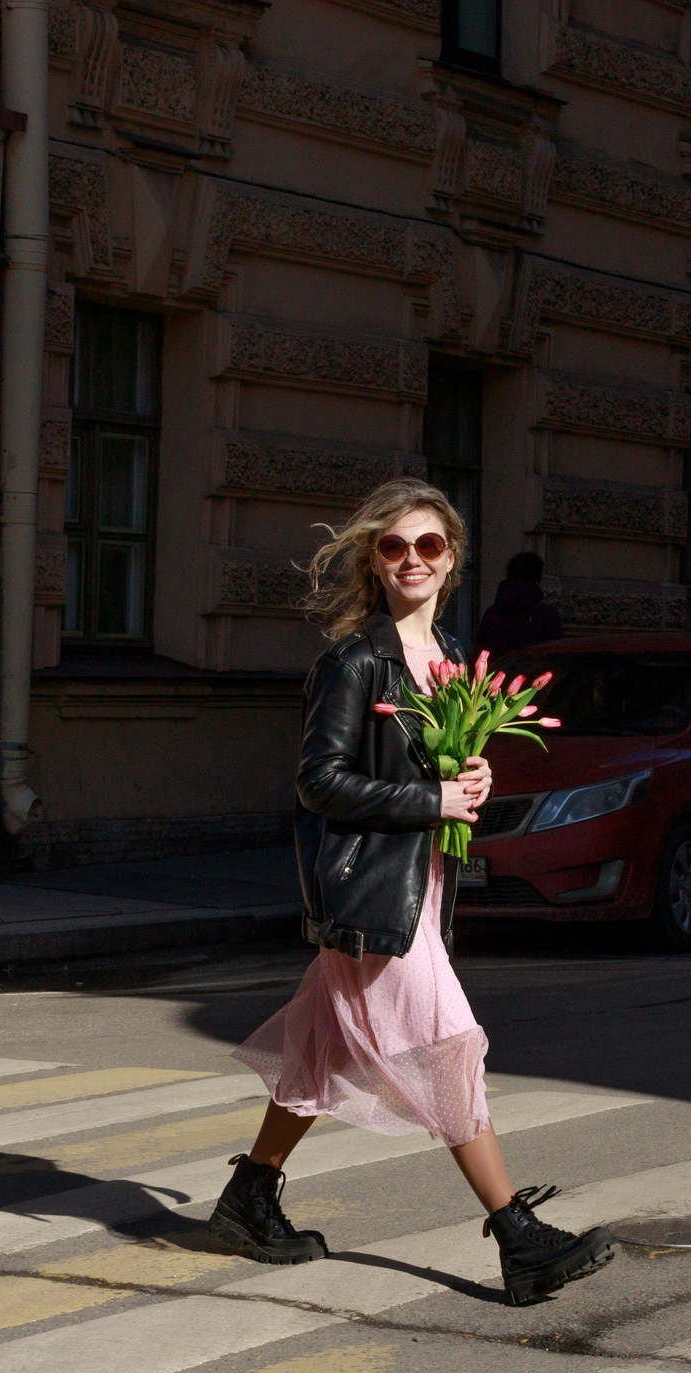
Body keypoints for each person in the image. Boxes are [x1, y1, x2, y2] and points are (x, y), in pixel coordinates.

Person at [221, 479, 618, 1307]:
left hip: (419, 888)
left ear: (452, 561)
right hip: (372, 898)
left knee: (318, 1050)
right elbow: (319, 781)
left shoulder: (446, 658)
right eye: (395, 545)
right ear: (374, 556)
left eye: (428, 546)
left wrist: (470, 775)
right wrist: (429, 801)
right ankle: (517, 1236)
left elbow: (430, 769)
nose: (411, 559)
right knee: (448, 1044)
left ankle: (248, 1198)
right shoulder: (355, 659)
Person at [475, 550, 564, 657]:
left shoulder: (492, 613)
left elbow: (481, 654)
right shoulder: (546, 615)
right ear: (537, 579)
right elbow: (555, 655)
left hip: (496, 671)